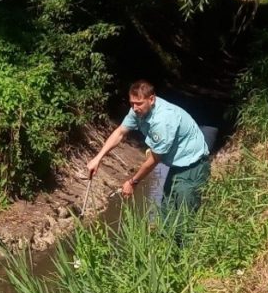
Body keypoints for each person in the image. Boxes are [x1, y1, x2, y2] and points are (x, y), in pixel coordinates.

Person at [86, 80, 211, 230]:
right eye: (132, 103)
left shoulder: (163, 121)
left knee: (185, 220)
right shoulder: (137, 111)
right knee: (166, 214)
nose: (135, 108)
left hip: (193, 165)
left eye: (139, 103)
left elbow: (154, 159)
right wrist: (97, 158)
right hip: (176, 164)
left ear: (151, 99)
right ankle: (169, 251)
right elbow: (120, 132)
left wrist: (133, 182)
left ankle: (188, 251)